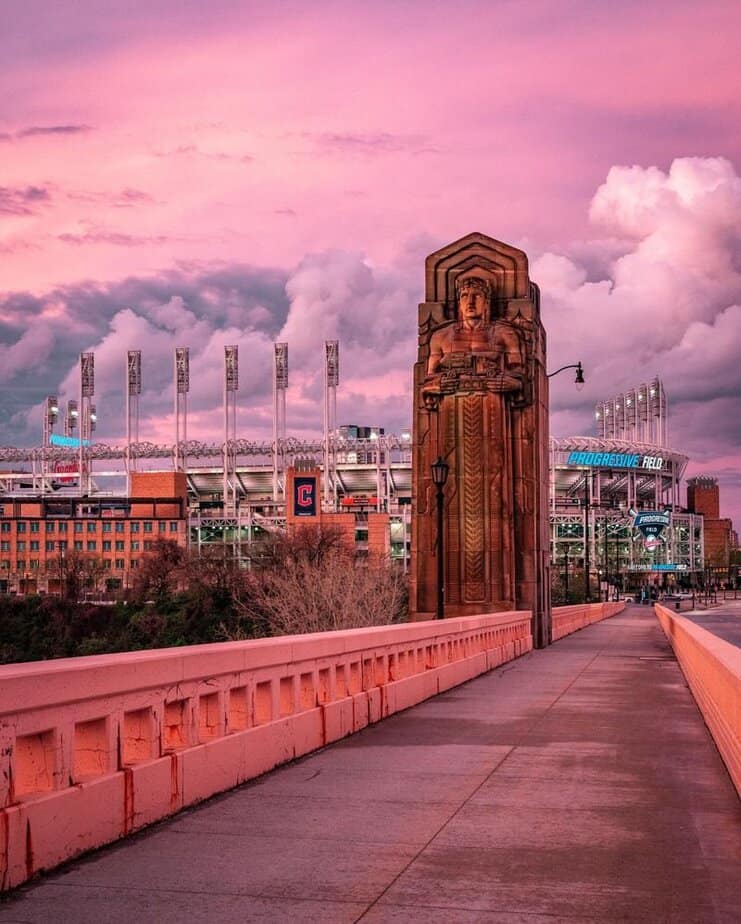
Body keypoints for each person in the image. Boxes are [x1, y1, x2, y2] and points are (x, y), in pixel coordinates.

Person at [425, 275, 524, 393]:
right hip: (451, 400)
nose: (470, 302)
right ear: (459, 303)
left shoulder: (505, 334)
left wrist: (514, 384)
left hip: (492, 399)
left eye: (477, 296)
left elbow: (519, 374)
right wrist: (437, 385)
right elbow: (429, 378)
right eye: (464, 296)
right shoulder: (440, 336)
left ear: (486, 302)